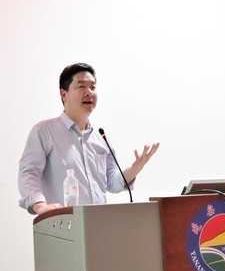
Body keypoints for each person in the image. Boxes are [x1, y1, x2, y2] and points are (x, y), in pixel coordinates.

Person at [18, 62, 160, 216]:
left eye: (93, 87)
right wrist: (40, 206)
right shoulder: (44, 131)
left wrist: (134, 169)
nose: (89, 92)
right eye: (81, 86)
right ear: (63, 94)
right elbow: (28, 174)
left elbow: (112, 183)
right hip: (63, 223)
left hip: (99, 223)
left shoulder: (101, 138)